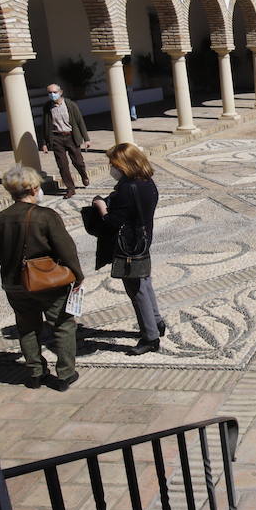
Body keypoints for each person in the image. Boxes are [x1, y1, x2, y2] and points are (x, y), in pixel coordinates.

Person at [0, 166, 85, 390]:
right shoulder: (45, 216)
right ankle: (65, 373)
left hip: (14, 282)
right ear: (33, 188)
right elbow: (66, 249)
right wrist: (77, 274)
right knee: (62, 325)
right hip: (47, 281)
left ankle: (35, 372)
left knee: (27, 327)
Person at [93, 142, 165, 355]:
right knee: (145, 282)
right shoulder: (147, 182)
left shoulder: (127, 188)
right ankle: (157, 322)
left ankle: (150, 337)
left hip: (129, 246)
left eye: (113, 163)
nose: (111, 167)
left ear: (124, 164)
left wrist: (102, 207)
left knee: (137, 290)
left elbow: (113, 222)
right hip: (143, 240)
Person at [39, 83, 90, 198]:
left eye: (54, 92)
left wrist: (86, 139)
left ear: (60, 92)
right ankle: (70, 188)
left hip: (71, 136)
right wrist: (44, 143)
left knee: (78, 162)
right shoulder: (47, 107)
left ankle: (83, 175)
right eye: (50, 93)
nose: (52, 95)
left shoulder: (70, 105)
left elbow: (79, 121)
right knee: (62, 165)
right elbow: (45, 125)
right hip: (56, 138)